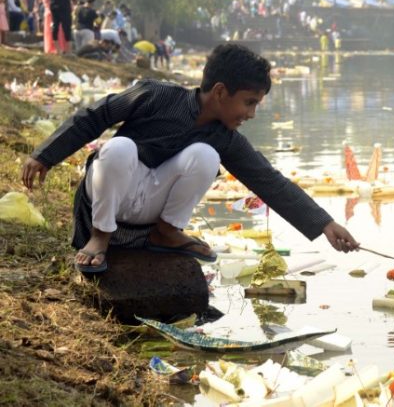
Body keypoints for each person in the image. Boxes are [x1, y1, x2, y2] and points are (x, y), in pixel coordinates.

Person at [21, 43, 359, 273]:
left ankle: (166, 233)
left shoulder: (223, 138)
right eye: (249, 102)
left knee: (205, 156)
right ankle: (100, 238)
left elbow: (268, 181)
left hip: (146, 213)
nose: (252, 113)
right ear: (221, 92)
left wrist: (324, 224)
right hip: (109, 198)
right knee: (119, 147)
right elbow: (96, 115)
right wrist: (45, 155)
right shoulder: (155, 95)